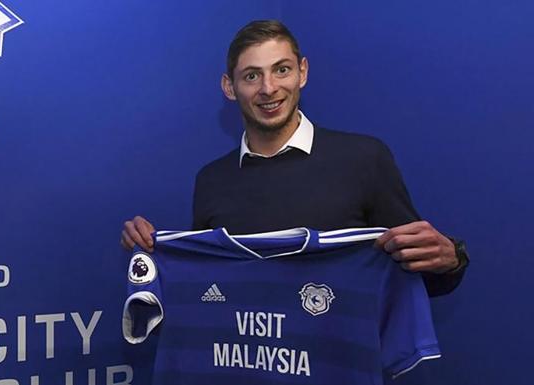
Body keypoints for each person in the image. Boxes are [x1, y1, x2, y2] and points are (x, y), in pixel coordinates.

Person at [121, 20, 468, 296]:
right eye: (252, 76)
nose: (269, 88)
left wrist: (450, 260)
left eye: (281, 70)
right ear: (229, 87)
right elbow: (204, 288)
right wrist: (152, 251)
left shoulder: (364, 159)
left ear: (302, 71)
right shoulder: (211, 179)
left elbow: (421, 274)